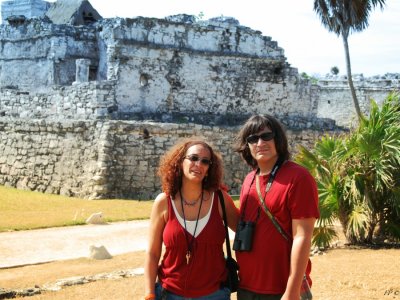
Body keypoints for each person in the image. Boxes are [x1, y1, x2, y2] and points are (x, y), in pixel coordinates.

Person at [233, 115, 320, 300]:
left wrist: (292, 291)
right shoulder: (249, 179)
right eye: (252, 139)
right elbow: (243, 225)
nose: (259, 142)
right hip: (247, 286)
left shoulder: (298, 177)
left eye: (266, 136)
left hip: (281, 289)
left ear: (278, 138)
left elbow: (302, 237)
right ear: (247, 145)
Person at [144, 138, 239, 300]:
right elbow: (153, 254)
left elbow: (247, 235)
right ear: (180, 162)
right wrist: (149, 292)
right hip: (170, 293)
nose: (198, 164)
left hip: (214, 294)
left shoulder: (220, 199)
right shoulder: (163, 202)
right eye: (193, 158)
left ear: (209, 169)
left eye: (205, 161)